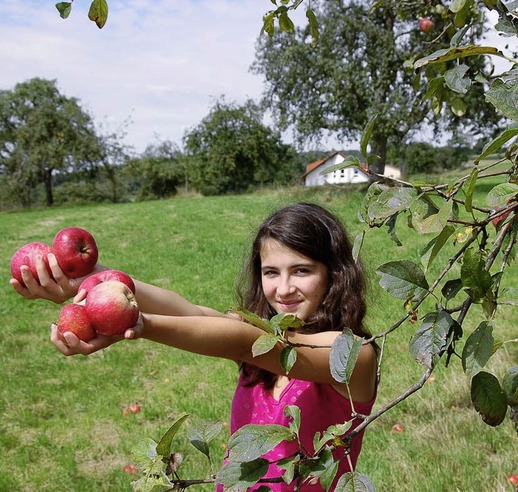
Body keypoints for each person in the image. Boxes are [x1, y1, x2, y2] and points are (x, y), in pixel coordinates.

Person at [10, 202, 378, 491]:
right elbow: (186, 310)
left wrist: (136, 323)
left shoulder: (352, 356)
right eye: (270, 272)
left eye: (301, 270)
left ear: (334, 273)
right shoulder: (263, 330)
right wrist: (91, 280)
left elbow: (248, 345)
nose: (283, 289)